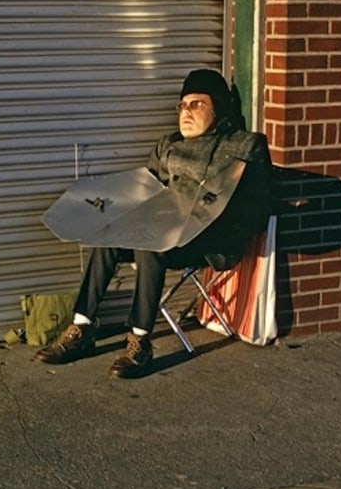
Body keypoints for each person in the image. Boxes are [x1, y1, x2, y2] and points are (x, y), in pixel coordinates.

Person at [37, 69, 273, 378]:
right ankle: (82, 327)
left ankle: (141, 341)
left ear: (220, 110)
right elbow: (146, 191)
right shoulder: (168, 145)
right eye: (182, 106)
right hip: (163, 231)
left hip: (209, 238)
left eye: (197, 104)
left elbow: (257, 207)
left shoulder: (244, 146)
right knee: (106, 238)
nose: (186, 113)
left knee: (148, 243)